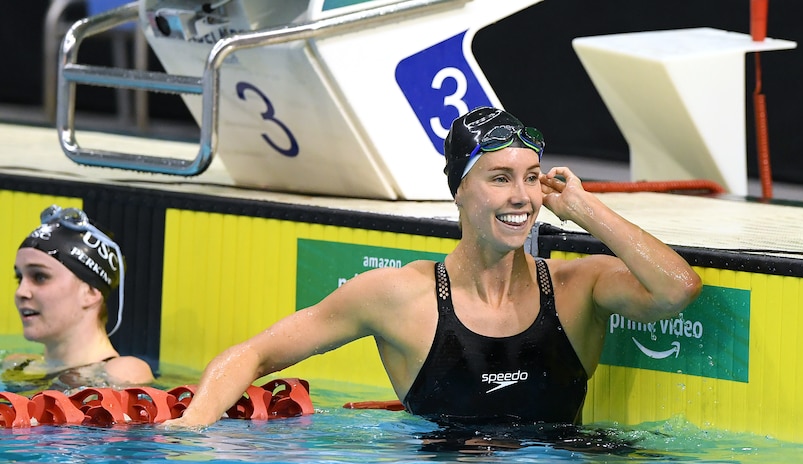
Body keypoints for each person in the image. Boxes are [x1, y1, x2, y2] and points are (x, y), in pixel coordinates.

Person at [166, 107, 702, 428]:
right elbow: (255, 354)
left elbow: (677, 289)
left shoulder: (577, 286)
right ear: (459, 191)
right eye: (499, 178)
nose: (521, 197)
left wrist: (584, 208)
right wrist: (189, 436)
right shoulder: (397, 297)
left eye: (531, 177)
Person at [3, 205, 153, 392]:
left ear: (90, 292)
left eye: (40, 277)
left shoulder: (122, 371)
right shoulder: (15, 366)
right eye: (19, 278)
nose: (21, 292)